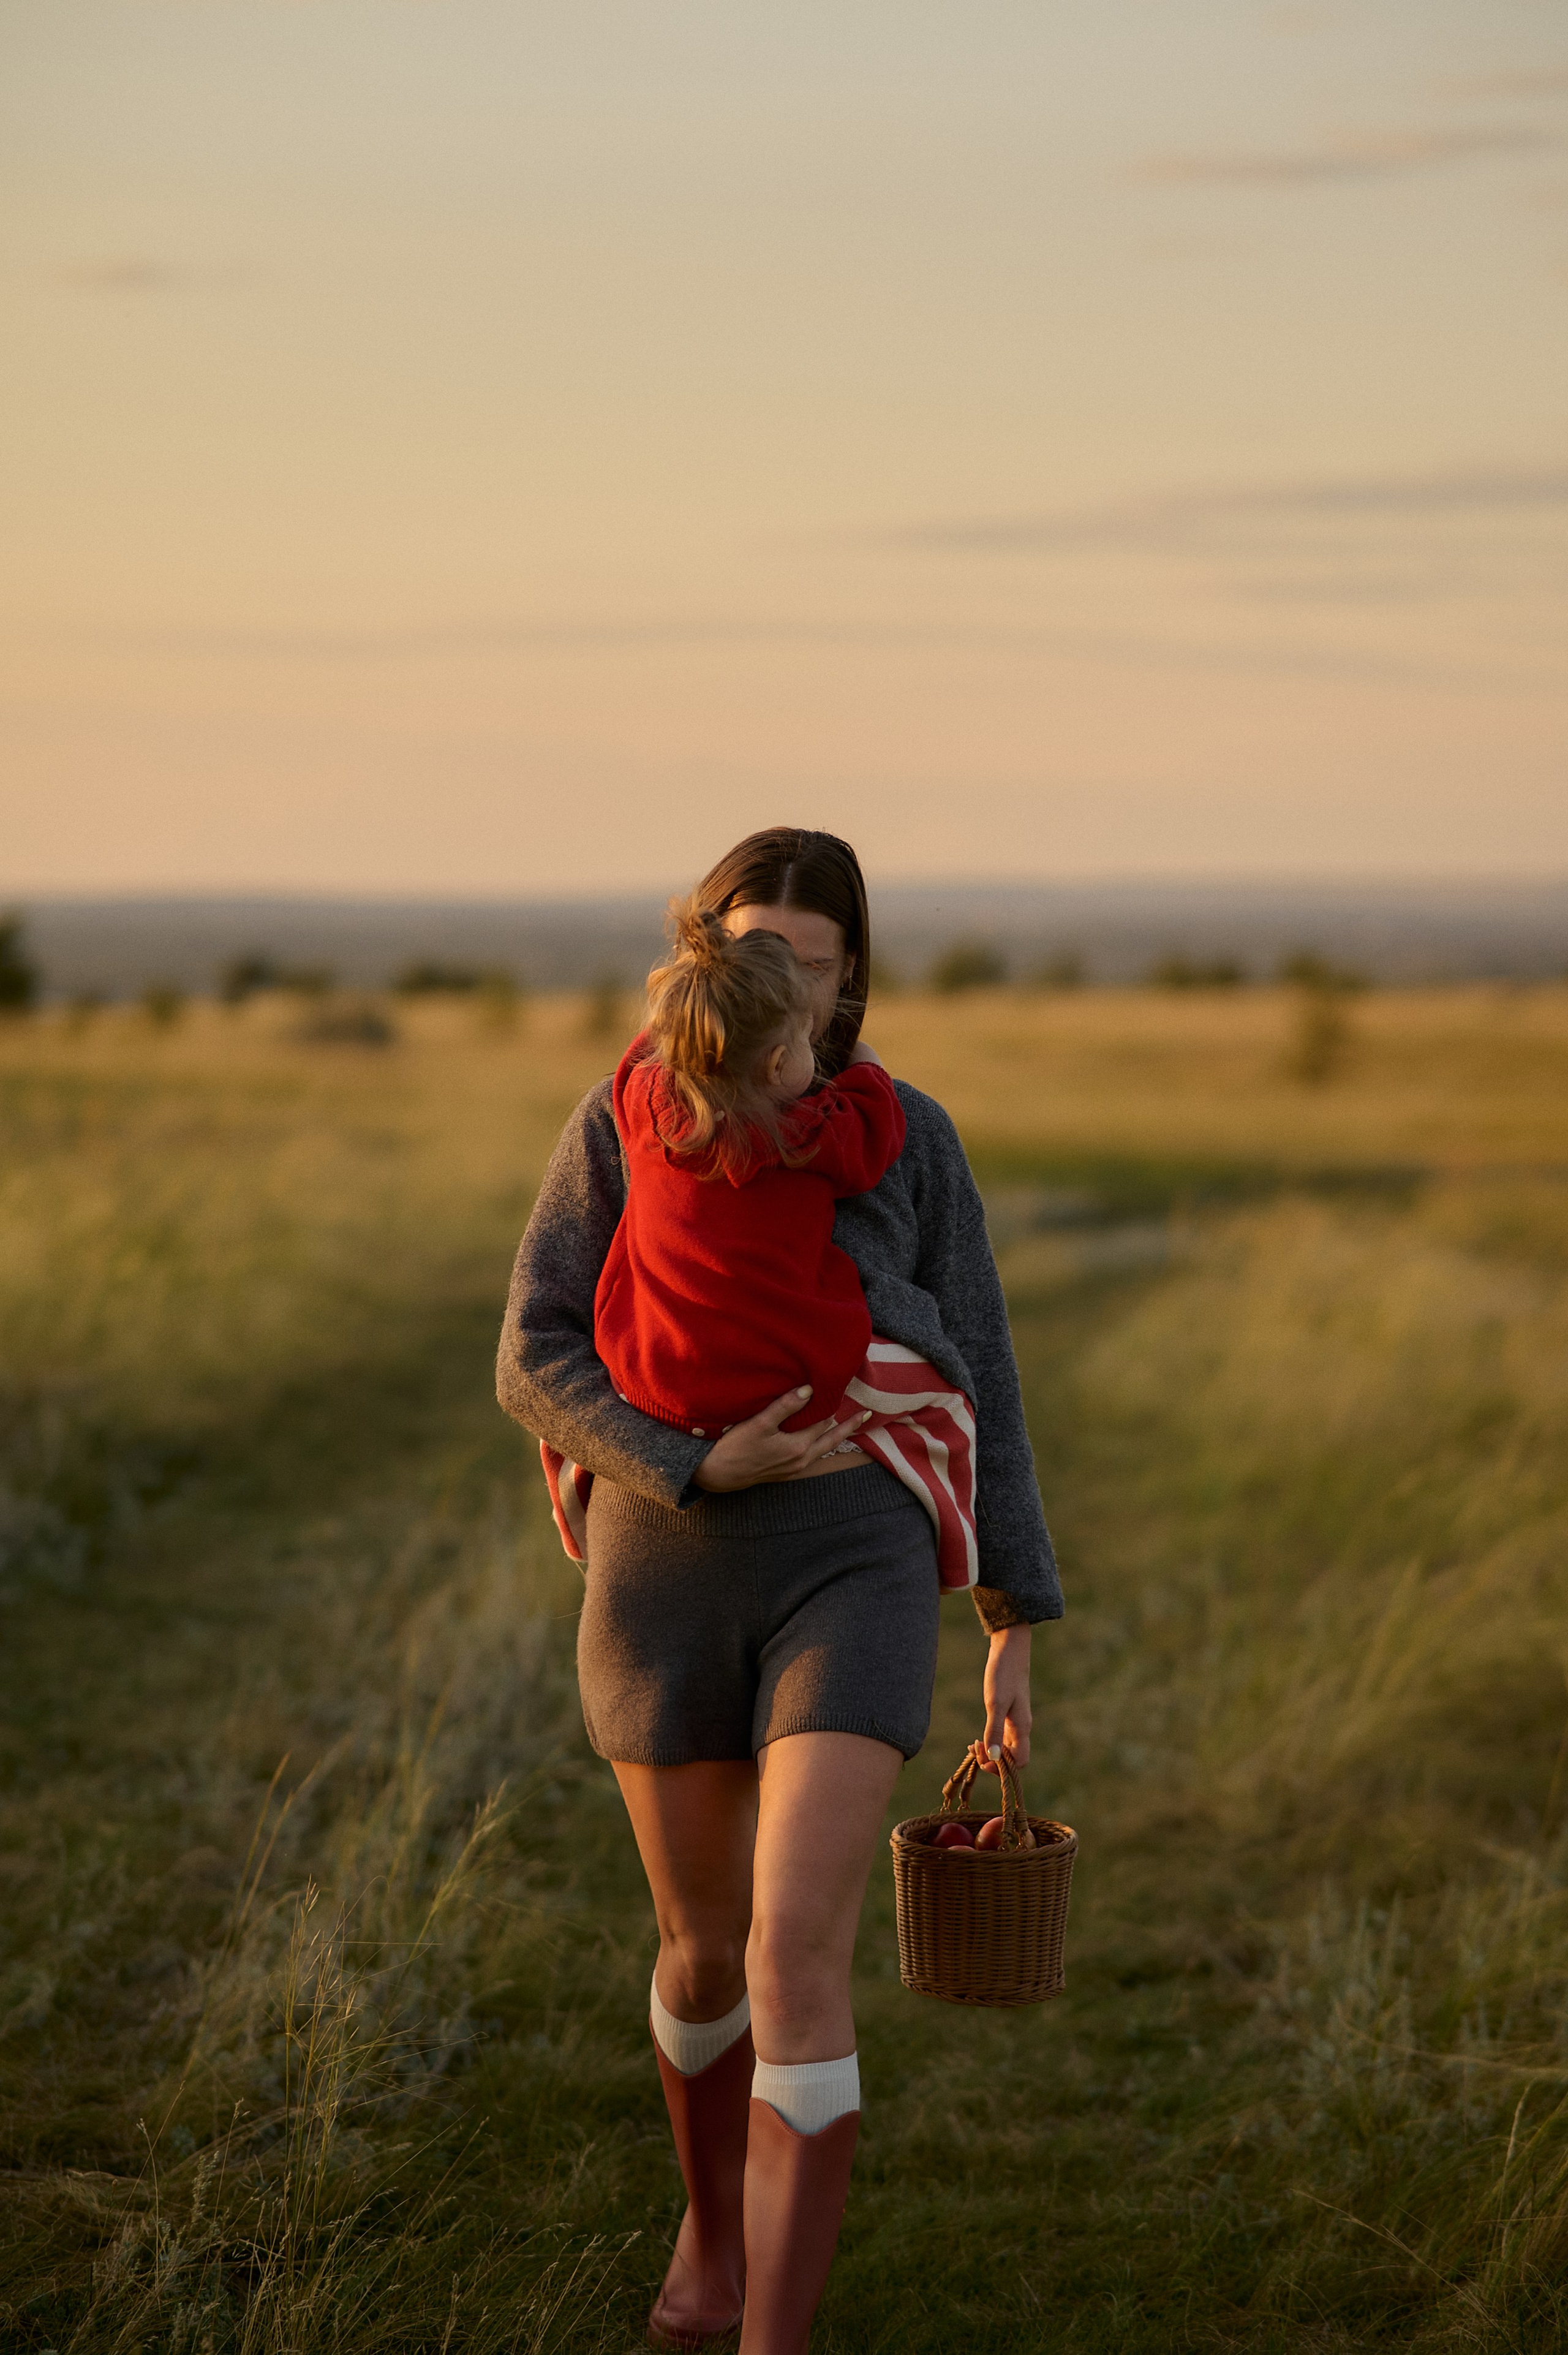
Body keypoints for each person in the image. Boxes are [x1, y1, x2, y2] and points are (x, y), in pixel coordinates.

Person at [497, 827, 1061, 2354]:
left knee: (789, 1947)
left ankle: (771, 2337)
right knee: (695, 1948)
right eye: (751, 958)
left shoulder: (911, 1139)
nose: (778, 995)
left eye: (807, 968)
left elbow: (982, 1374)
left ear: (848, 982)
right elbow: (533, 1354)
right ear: (703, 961)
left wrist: (1012, 1611)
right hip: (664, 1563)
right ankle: (710, 2226)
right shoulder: (619, 1122)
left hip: (855, 1557)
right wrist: (683, 1457)